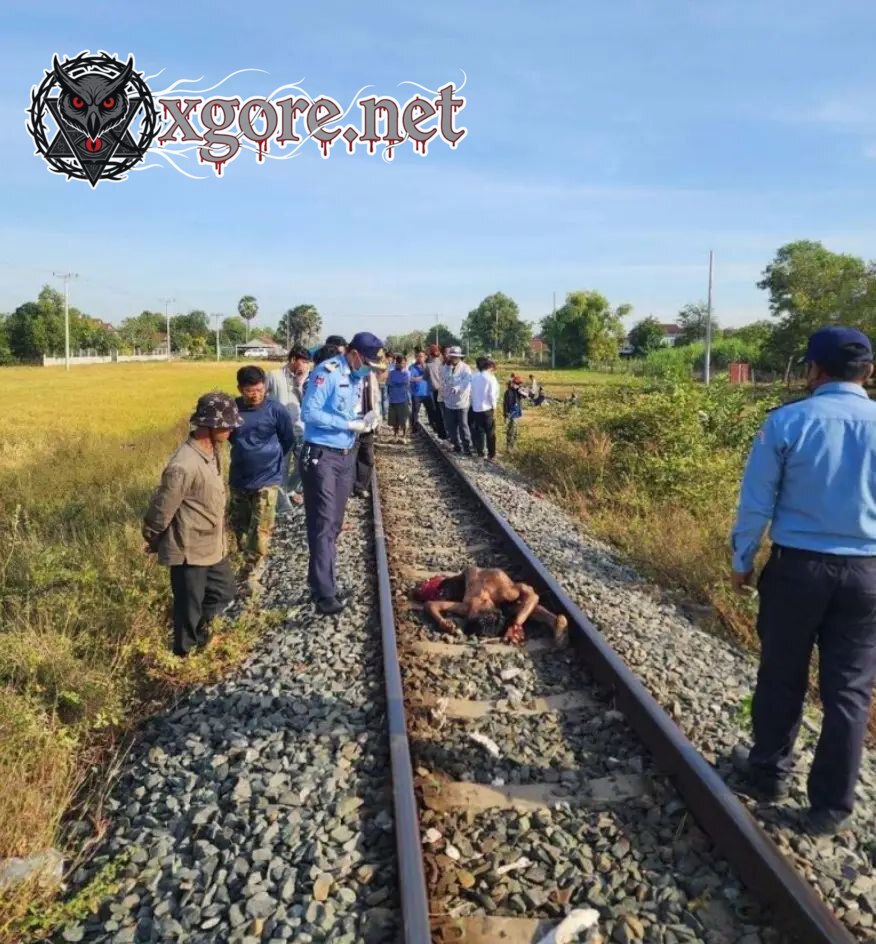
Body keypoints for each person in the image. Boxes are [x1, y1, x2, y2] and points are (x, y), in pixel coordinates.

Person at [730, 326, 876, 836]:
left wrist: (742, 559)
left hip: (797, 570)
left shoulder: (788, 422)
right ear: (869, 372)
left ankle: (769, 773)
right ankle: (830, 809)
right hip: (867, 575)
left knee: (781, 674)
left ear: (814, 370)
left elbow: (757, 502)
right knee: (850, 692)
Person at [143, 393, 241, 657]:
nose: (231, 429)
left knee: (224, 593)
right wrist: (153, 537)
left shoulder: (212, 452)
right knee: (189, 607)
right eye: (227, 425)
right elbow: (162, 508)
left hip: (212, 544)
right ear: (209, 425)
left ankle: (203, 638)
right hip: (189, 548)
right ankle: (184, 655)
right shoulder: (183, 465)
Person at [300, 332, 385, 614]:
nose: (369, 370)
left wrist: (365, 420)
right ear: (355, 354)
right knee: (323, 523)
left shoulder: (357, 375)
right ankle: (324, 593)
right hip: (321, 455)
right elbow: (309, 413)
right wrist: (347, 424)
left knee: (334, 524)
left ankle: (321, 580)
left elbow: (349, 410)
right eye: (368, 364)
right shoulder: (327, 373)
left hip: (346, 455)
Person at [229, 366, 296, 593]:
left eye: (259, 390)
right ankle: (244, 562)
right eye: (250, 391)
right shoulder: (233, 409)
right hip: (239, 478)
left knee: (261, 528)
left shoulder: (276, 410)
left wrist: (270, 458)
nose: (256, 395)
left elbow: (287, 439)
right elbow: (229, 438)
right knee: (241, 526)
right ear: (240, 389)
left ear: (265, 387)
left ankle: (253, 574)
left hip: (268, 478)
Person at [413, 566, 568, 647]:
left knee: (518, 606)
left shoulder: (505, 593)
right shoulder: (469, 604)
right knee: (516, 607)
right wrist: (441, 621)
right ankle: (552, 620)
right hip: (469, 577)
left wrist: (516, 625)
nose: (468, 612)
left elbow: (533, 596)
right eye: (471, 614)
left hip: (484, 578)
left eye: (471, 614)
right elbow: (431, 604)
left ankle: (552, 620)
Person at [266, 345, 311, 511]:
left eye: (307, 362)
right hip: (280, 432)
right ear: (293, 359)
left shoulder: (308, 378)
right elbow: (262, 396)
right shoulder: (273, 375)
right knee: (282, 467)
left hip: (300, 428)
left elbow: (310, 403)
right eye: (303, 361)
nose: (306, 365)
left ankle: (290, 489)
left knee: (304, 465)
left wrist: (300, 384)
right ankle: (283, 505)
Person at [353, 364, 381, 500]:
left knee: (368, 459)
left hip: (367, 423)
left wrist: (377, 419)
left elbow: (376, 397)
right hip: (351, 425)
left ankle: (361, 486)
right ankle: (351, 487)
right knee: (350, 458)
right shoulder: (346, 374)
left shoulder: (370, 375)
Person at [442, 346, 473, 455]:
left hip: (462, 402)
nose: (454, 358)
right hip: (449, 402)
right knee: (451, 426)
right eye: (452, 356)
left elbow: (466, 382)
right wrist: (448, 368)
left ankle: (467, 448)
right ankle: (456, 446)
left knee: (463, 425)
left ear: (459, 357)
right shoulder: (446, 367)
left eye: (456, 356)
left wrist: (458, 388)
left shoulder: (465, 368)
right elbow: (445, 379)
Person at [470, 356, 500, 460]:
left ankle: (480, 453)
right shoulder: (491, 378)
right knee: (490, 432)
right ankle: (491, 454)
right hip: (487, 409)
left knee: (480, 431)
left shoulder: (474, 377)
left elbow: (471, 392)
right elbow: (492, 395)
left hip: (476, 408)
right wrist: (494, 407)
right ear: (490, 367)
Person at [387, 353, 412, 442]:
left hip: (403, 399)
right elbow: (388, 383)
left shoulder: (407, 373)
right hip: (393, 399)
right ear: (396, 363)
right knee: (394, 420)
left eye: (404, 363)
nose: (402, 365)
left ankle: (404, 437)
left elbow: (405, 382)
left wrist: (395, 383)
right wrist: (397, 383)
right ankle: (395, 435)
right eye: (400, 363)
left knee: (404, 420)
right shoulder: (391, 373)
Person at [424, 344, 447, 438]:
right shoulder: (444, 364)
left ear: (430, 354)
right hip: (446, 390)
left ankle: (442, 434)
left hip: (436, 391)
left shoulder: (428, 366)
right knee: (446, 412)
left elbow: (425, 377)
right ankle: (449, 433)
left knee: (438, 412)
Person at [503, 374, 527, 451]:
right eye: (517, 384)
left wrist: (521, 391)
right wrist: (506, 415)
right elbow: (505, 404)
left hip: (516, 413)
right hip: (510, 413)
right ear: (513, 383)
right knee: (511, 430)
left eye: (519, 384)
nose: (518, 385)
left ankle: (514, 446)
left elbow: (526, 396)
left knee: (516, 430)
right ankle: (509, 447)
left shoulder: (518, 392)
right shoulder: (508, 392)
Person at [409, 351, 429, 431]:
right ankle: (414, 428)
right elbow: (410, 379)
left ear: (425, 357)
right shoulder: (412, 367)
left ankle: (433, 427)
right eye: (419, 356)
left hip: (427, 393)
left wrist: (424, 368)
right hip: (416, 393)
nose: (420, 358)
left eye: (422, 356)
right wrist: (422, 377)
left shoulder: (428, 366)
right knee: (415, 411)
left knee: (431, 412)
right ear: (416, 357)